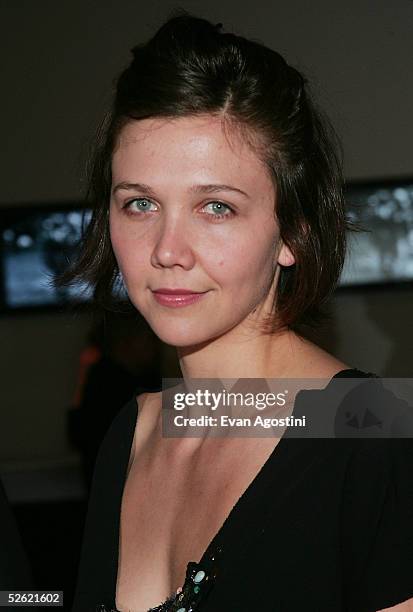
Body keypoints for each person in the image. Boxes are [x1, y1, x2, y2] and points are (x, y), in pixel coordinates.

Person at [65, 11, 413, 612]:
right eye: (141, 203)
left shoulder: (377, 437)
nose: (167, 251)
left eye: (216, 207)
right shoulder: (133, 432)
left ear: (293, 234)